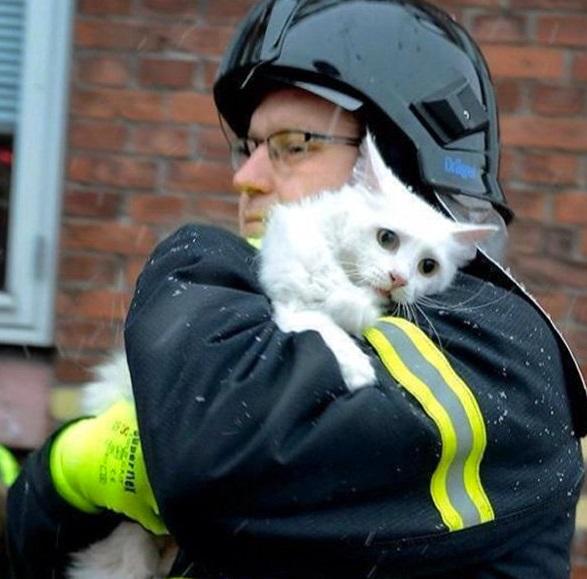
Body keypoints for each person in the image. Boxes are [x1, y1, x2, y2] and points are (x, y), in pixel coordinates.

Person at [7, 1, 587, 577]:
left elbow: (211, 458)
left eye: (293, 144)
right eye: (248, 148)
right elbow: (24, 545)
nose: (245, 178)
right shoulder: (264, 317)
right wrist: (63, 473)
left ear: (389, 167)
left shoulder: (493, 347)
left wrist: (198, 258)